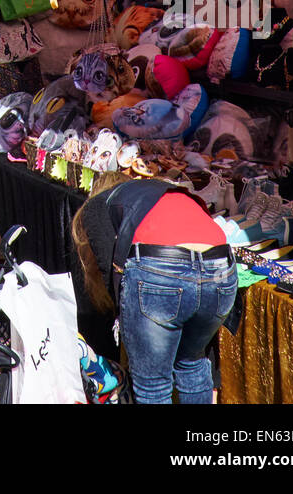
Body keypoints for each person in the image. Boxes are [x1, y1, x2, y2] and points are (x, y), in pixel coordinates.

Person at [72, 173, 239, 404]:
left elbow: (107, 267)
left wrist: (127, 320)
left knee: (153, 386)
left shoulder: (98, 205)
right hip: (222, 267)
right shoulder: (164, 190)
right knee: (193, 365)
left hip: (162, 269)